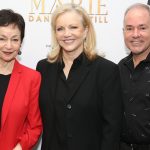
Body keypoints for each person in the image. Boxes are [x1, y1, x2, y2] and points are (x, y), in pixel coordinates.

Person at [36, 3, 122, 150]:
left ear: (85, 30)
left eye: (73, 27)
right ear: (55, 33)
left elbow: (112, 128)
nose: (66, 34)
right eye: (60, 29)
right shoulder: (43, 68)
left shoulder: (106, 70)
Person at [0, 9, 42, 150]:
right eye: (2, 39)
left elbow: (35, 127)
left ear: (21, 43)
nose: (9, 46)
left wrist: (18, 148)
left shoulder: (32, 78)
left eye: (15, 39)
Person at [118, 3, 150, 150]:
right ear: (123, 32)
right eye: (129, 28)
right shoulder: (119, 68)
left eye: (142, 28)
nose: (135, 34)